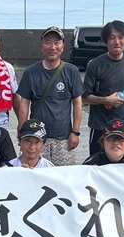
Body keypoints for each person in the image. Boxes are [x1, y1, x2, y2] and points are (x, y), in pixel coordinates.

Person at [17, 26, 83, 166]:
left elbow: (78, 102)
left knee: (64, 177)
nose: (52, 47)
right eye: (48, 42)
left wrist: (75, 132)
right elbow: (24, 104)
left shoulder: (71, 71)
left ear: (63, 47)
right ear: (42, 46)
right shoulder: (31, 72)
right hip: (36, 138)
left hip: (64, 139)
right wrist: (23, 133)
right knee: (34, 175)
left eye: (56, 43)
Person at [82, 20, 124, 155]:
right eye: (112, 38)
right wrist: (106, 100)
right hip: (100, 126)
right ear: (105, 42)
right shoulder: (95, 64)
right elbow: (85, 97)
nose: (117, 42)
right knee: (97, 162)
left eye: (121, 37)